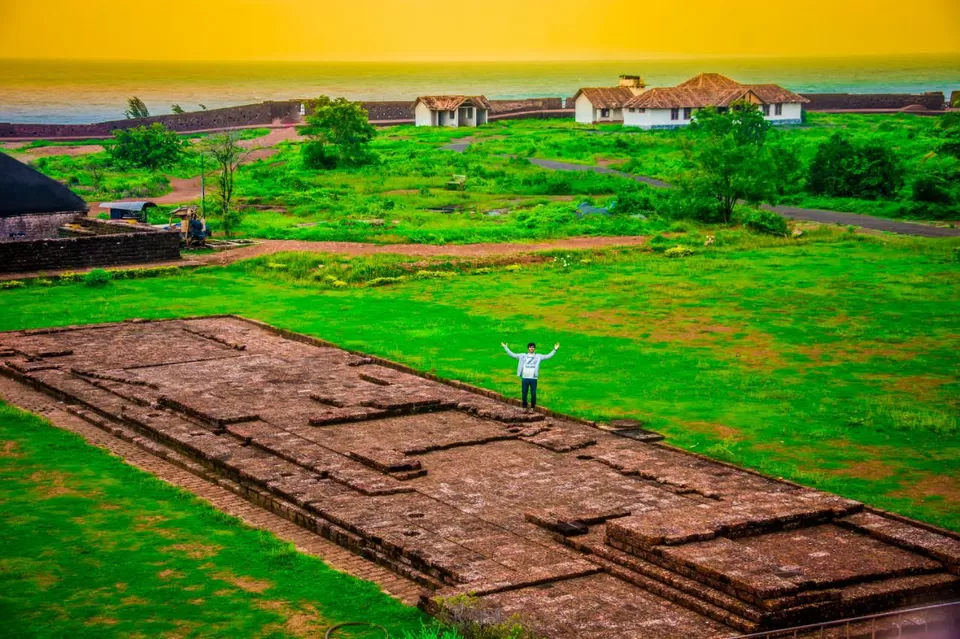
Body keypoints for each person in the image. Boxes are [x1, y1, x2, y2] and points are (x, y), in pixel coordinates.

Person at [501, 341, 559, 410]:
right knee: (524, 393)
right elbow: (513, 355)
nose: (531, 348)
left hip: (533, 378)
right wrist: (505, 347)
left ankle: (532, 407)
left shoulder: (538, 356)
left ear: (534, 348)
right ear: (528, 348)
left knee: (533, 394)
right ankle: (524, 407)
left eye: (533, 347)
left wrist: (555, 350)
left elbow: (547, 356)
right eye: (530, 347)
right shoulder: (522, 356)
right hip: (525, 378)